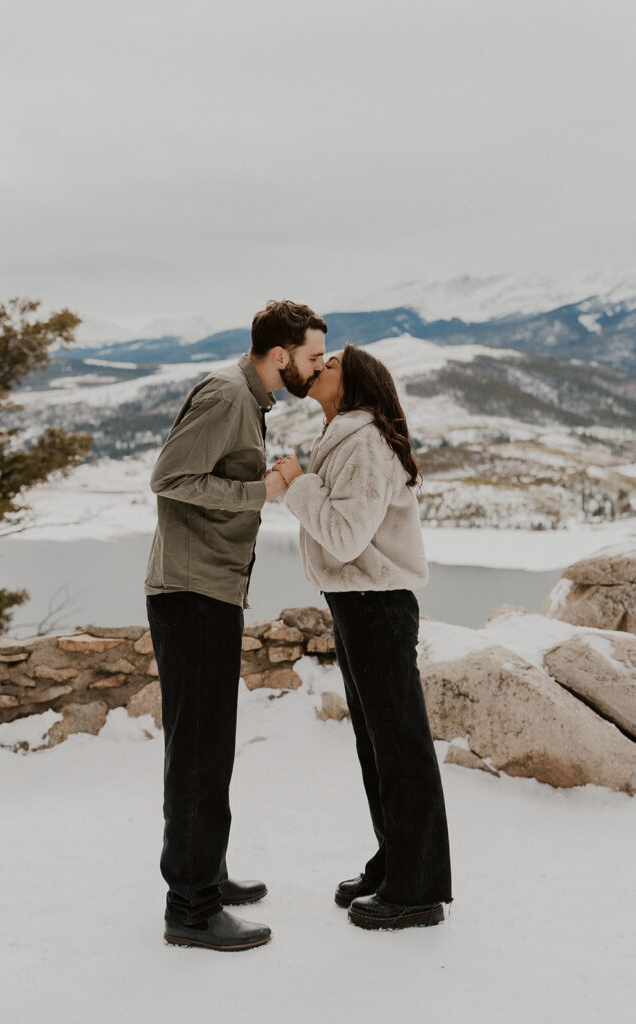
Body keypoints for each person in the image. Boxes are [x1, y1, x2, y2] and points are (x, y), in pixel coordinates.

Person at [145, 300, 327, 951]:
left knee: (208, 744)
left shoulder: (249, 401)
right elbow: (168, 478)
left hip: (209, 591)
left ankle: (208, 874)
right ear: (279, 354)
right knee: (198, 750)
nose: (317, 367)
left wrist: (262, 478)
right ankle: (190, 910)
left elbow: (215, 474)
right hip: (191, 593)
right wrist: (263, 493)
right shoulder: (227, 395)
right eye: (311, 356)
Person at [275, 343, 453, 930]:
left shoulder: (366, 444)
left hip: (377, 603)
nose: (318, 369)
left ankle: (418, 889)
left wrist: (300, 485)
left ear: (350, 388)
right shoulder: (343, 436)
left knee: (399, 745)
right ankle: (393, 861)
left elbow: (346, 537)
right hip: (357, 602)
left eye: (329, 366)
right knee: (376, 744)